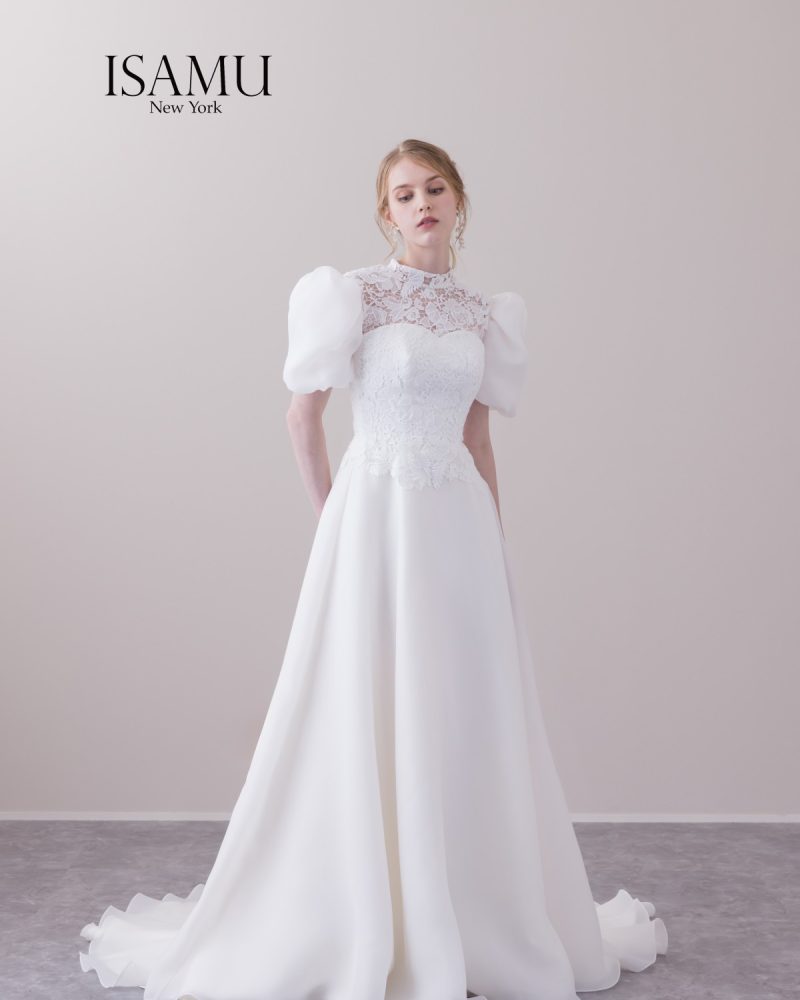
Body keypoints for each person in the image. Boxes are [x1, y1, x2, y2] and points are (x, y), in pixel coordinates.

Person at [78, 139, 668, 1000]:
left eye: (435, 188)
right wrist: (334, 520)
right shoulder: (353, 294)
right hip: (375, 519)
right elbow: (301, 416)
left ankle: (468, 909)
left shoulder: (483, 313)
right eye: (403, 194)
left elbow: (478, 440)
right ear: (386, 213)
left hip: (457, 526)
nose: (421, 203)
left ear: (458, 201)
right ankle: (365, 913)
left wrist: (497, 546)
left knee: (460, 702)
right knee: (368, 695)